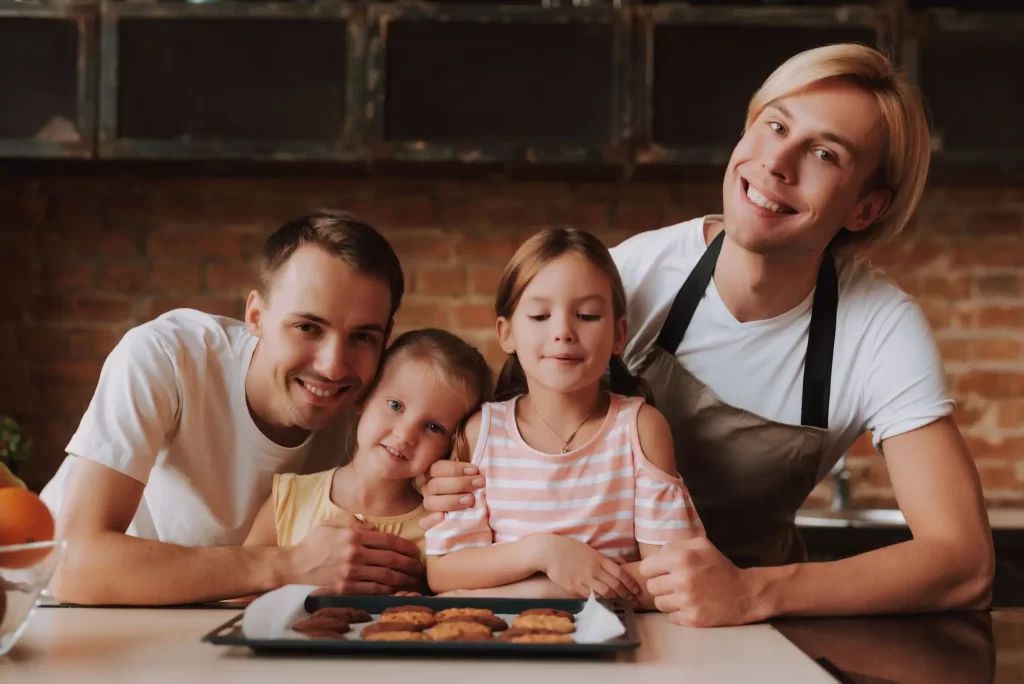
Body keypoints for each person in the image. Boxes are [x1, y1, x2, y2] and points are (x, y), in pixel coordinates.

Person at [418, 44, 994, 625]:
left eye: (823, 153)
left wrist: (754, 593)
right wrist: (446, 478)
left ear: (865, 208)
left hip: (758, 624)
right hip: (590, 611)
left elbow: (964, 563)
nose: (777, 163)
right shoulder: (634, 276)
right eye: (774, 125)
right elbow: (499, 439)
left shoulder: (878, 329)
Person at [41, 210, 429, 605]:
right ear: (256, 316)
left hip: (219, 629)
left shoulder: (383, 410)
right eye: (308, 327)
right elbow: (73, 566)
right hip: (61, 618)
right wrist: (285, 566)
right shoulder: (167, 357)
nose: (333, 366)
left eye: (362, 336)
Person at [424, 228, 704, 605]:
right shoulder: (482, 433)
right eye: (540, 315)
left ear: (619, 334)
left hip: (617, 645)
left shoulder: (641, 429)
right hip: (505, 649)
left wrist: (542, 592)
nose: (563, 332)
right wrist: (544, 552)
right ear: (506, 334)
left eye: (587, 315)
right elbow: (444, 571)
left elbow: (671, 575)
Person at [244, 328, 493, 592]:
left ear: (452, 444)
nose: (405, 435)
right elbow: (237, 597)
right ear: (363, 397)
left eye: (433, 427)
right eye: (395, 405)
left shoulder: (441, 527)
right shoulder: (288, 500)